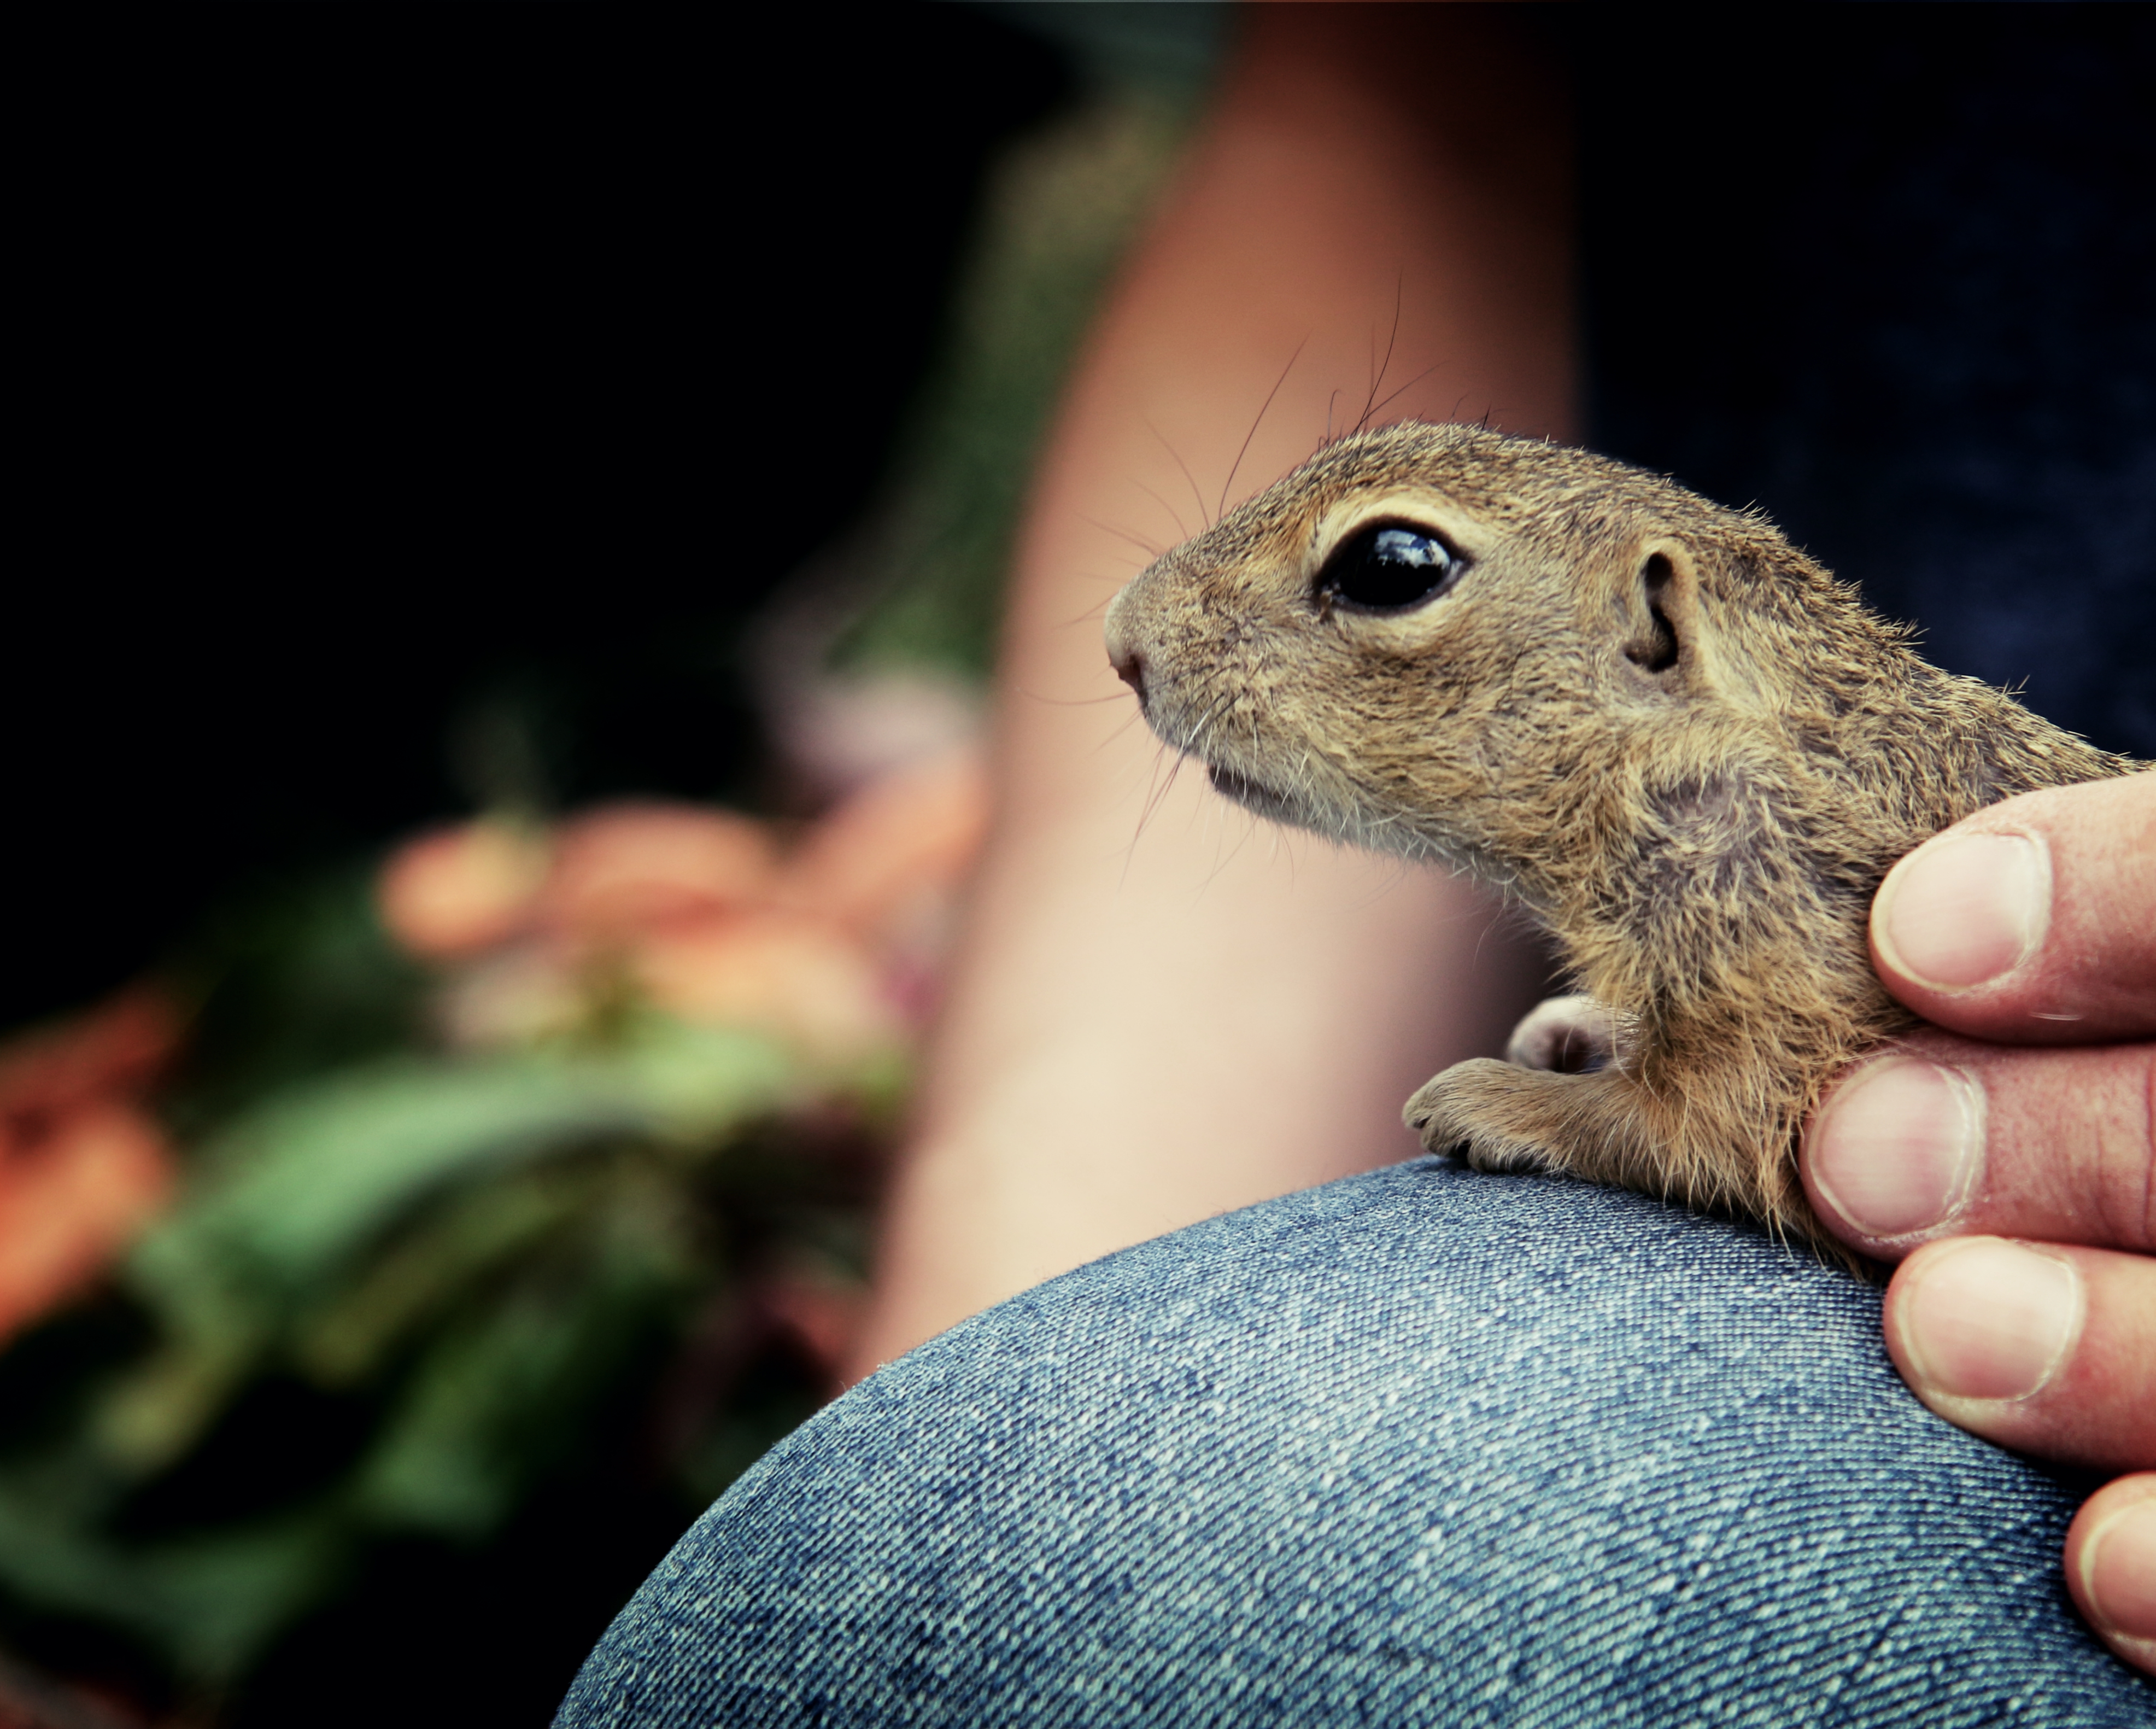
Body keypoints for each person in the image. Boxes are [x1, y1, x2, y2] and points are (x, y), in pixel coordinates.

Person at [561, 11, 2152, 1719]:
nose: (1143, 637)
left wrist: (1586, 1113)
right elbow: (1405, 99)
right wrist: (962, 1382)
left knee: (1359, 1558)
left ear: (1654, 631)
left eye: (1387, 576)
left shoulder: (1734, 825)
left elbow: (1764, 1124)